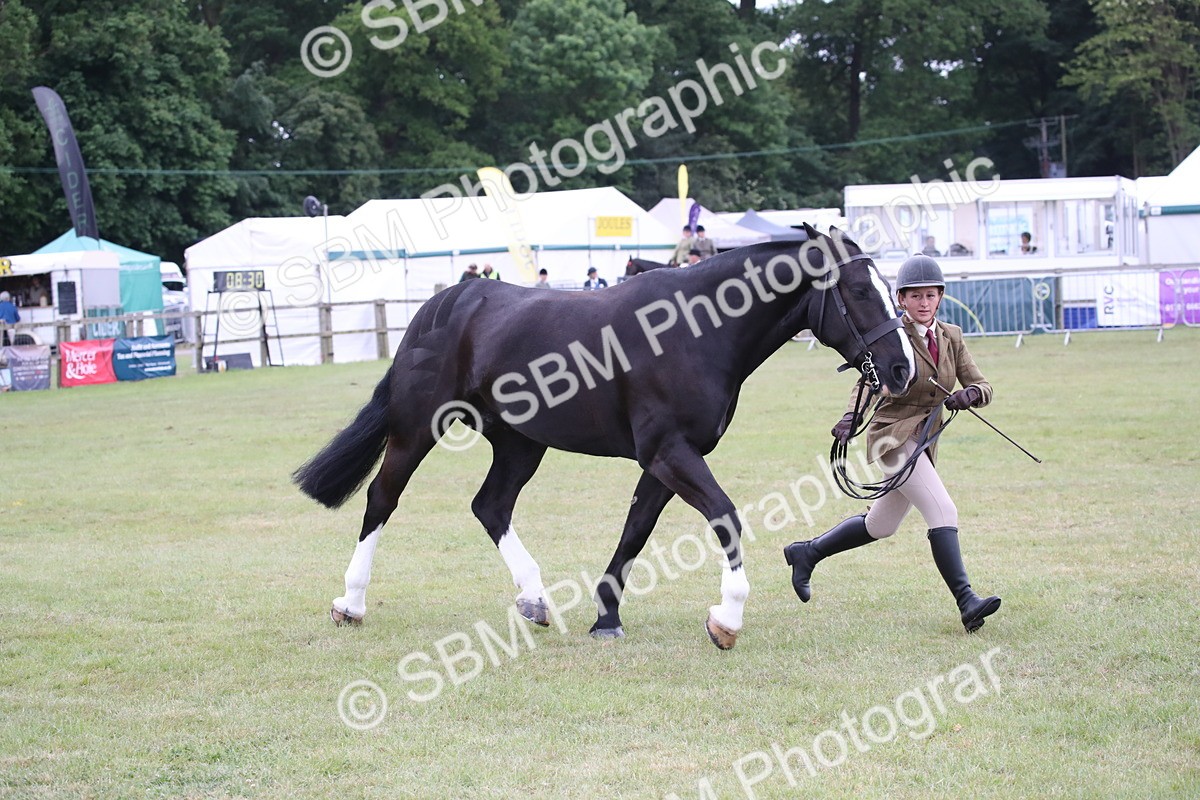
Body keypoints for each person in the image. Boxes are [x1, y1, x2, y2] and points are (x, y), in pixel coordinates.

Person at [783, 254, 1001, 633]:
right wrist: (851, 416)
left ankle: (807, 552)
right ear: (901, 299)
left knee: (880, 524)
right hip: (892, 436)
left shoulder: (952, 336)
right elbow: (866, 380)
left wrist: (971, 396)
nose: (923, 302)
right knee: (943, 511)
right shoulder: (891, 334)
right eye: (915, 295)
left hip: (924, 440)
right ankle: (967, 601)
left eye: (930, 295)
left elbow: (982, 385)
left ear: (940, 297)